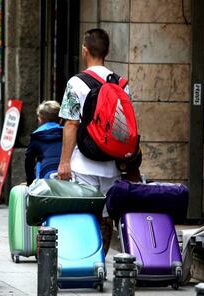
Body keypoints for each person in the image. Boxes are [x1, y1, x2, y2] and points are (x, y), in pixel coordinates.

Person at [58, 28, 131, 255]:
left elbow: (71, 124)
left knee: (85, 212)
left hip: (83, 161)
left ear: (84, 50)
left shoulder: (76, 83)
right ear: (107, 51)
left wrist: (64, 162)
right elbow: (126, 126)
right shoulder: (122, 84)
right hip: (111, 163)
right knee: (106, 216)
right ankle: (101, 261)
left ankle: (85, 259)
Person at [25, 100, 63, 186]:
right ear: (60, 120)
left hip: (44, 179)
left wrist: (30, 182)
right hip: (66, 174)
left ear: (40, 120)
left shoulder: (36, 136)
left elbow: (29, 162)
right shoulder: (67, 134)